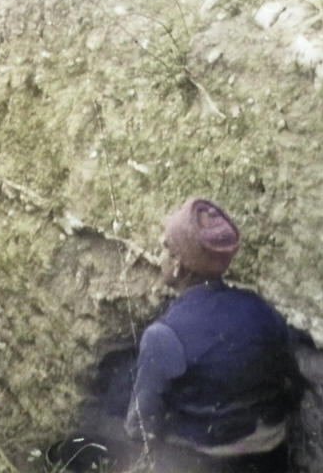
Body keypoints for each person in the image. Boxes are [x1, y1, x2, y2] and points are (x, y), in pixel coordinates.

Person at [47, 198, 307, 473]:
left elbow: (140, 430)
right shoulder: (260, 309)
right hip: (270, 460)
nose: (159, 255)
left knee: (73, 448)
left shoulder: (165, 335)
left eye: (166, 249)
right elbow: (292, 384)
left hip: (202, 465)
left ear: (180, 265)